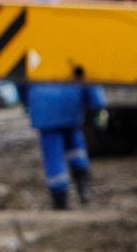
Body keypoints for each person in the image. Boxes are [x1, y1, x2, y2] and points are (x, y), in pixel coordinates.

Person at [25, 72, 98, 210]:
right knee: (75, 147)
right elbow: (87, 75)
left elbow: (21, 81)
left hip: (43, 107)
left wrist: (28, 102)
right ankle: (83, 185)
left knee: (53, 156)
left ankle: (60, 201)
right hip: (71, 102)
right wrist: (97, 104)